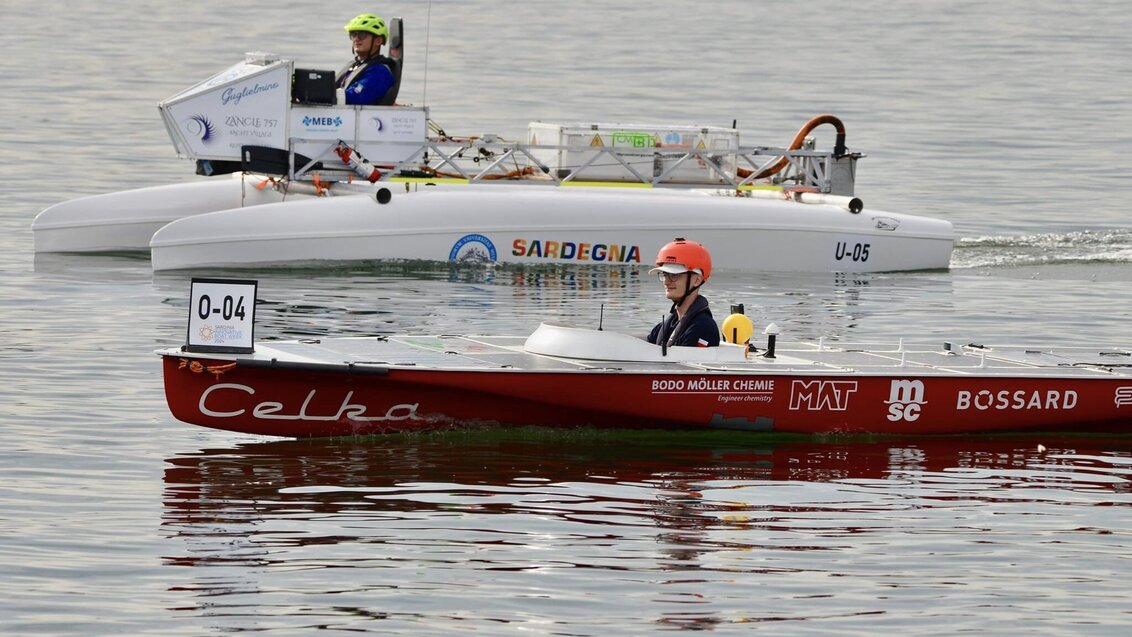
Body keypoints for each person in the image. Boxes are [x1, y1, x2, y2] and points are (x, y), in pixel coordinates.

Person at [646, 238, 721, 348]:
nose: (666, 281)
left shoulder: (703, 327)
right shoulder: (663, 327)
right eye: (665, 274)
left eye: (674, 275)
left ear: (697, 280)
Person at [338, 13, 397, 106]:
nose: (356, 39)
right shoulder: (353, 66)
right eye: (353, 34)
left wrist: (324, 95)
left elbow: (355, 98)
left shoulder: (380, 71)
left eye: (362, 35)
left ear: (378, 41)